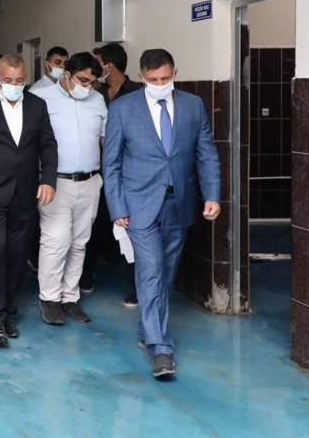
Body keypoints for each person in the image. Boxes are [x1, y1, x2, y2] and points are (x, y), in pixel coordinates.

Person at [103, 48, 221, 378]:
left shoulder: (192, 105)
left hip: (178, 202)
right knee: (151, 270)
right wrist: (117, 207)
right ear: (142, 77)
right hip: (138, 205)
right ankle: (161, 349)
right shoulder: (122, 108)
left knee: (166, 272)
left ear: (175, 74)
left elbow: (206, 154)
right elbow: (111, 164)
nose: (160, 84)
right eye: (153, 79)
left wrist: (212, 195)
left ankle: (148, 329)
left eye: (165, 78)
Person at [0, 54, 57, 346]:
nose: (14, 85)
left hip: (25, 192)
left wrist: (48, 180)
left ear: (25, 78)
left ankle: (9, 312)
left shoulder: (37, 105)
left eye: (19, 80)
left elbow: (48, 145)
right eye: (7, 80)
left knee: (17, 255)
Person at [32, 52, 107, 326]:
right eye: (83, 80)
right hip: (55, 182)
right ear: (67, 74)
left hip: (90, 181)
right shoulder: (41, 98)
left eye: (92, 82)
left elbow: (105, 138)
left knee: (79, 242)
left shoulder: (98, 100)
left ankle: (69, 298)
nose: (88, 86)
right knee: (55, 241)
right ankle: (49, 298)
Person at [80, 42, 144, 303]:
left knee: (132, 230)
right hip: (99, 173)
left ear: (109, 65)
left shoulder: (138, 93)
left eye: (98, 63)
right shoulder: (94, 94)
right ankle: (86, 276)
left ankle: (133, 288)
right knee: (94, 226)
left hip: (130, 174)